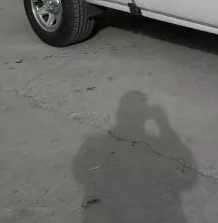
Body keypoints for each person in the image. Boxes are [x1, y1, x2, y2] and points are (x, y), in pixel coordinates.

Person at [73, 91, 196, 222]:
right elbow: (188, 179)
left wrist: (164, 126)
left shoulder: (158, 147)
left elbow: (188, 178)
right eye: (130, 115)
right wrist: (164, 125)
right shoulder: (159, 148)